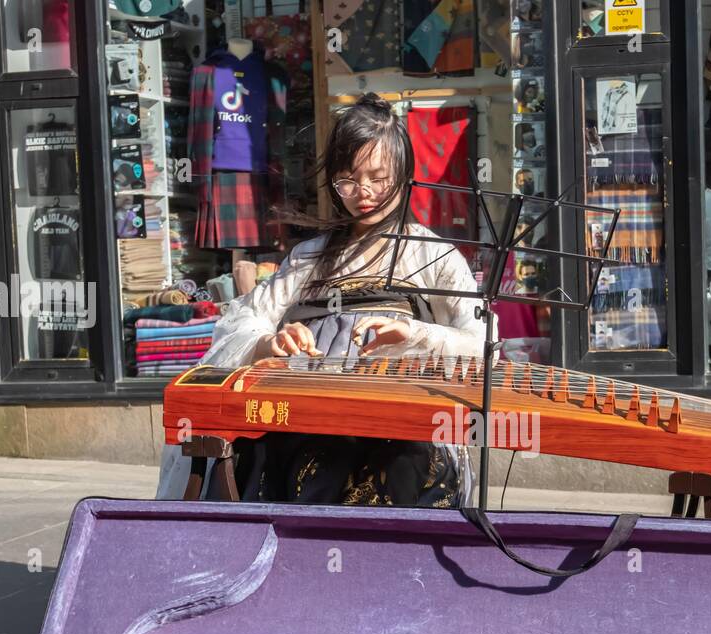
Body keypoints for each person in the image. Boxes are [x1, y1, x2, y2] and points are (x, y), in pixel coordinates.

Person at [154, 94, 485, 504]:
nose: (362, 192)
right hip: (306, 418)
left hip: (400, 427)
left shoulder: (435, 256)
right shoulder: (311, 256)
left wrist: (415, 334)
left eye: (378, 178)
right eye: (348, 179)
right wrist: (267, 343)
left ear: (403, 173)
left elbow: (482, 344)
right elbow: (242, 319)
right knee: (269, 455)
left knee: (391, 467)